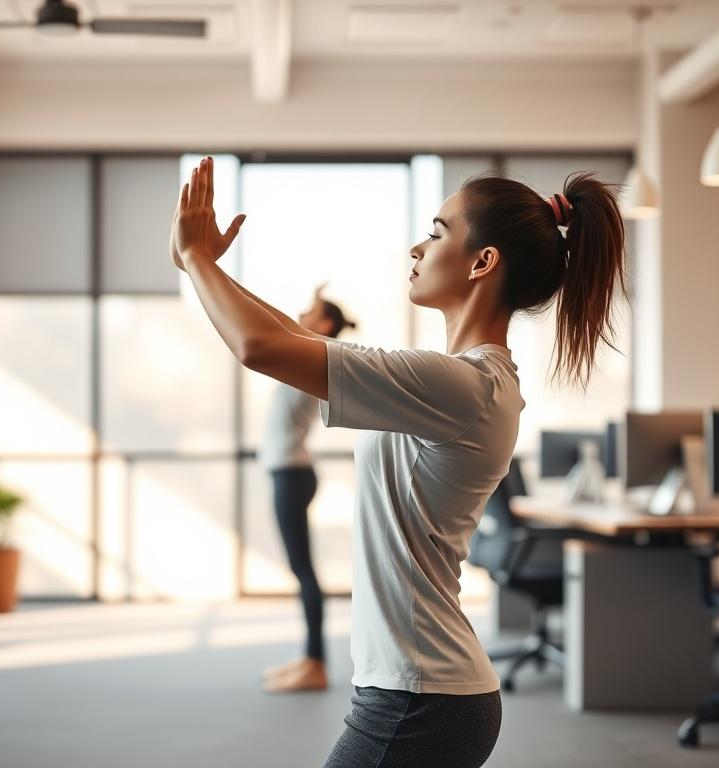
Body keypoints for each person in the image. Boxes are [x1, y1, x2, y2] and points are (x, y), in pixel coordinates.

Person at [169, 157, 626, 767]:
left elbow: (259, 348)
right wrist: (207, 266)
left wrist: (198, 262)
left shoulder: (464, 385)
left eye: (438, 232)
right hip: (419, 690)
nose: (418, 245)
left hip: (422, 698)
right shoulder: (454, 381)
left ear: (482, 261)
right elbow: (292, 340)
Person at [258, 284, 356, 694]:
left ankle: (315, 664)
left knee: (304, 571)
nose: (300, 314)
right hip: (290, 472)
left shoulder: (314, 355)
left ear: (325, 324)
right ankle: (308, 657)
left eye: (309, 311)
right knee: (301, 571)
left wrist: (316, 307)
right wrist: (314, 303)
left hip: (292, 475)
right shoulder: (308, 352)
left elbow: (275, 330)